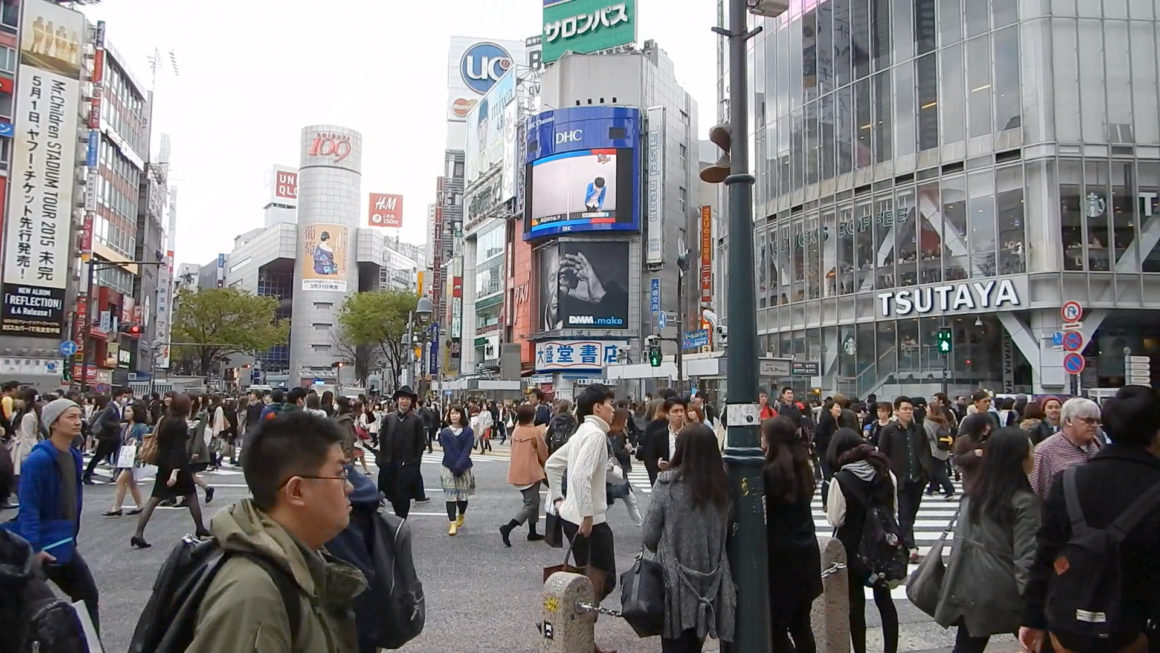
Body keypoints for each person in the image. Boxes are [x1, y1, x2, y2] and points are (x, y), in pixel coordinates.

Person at [183, 410, 367, 651]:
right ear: (297, 491)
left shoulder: (298, 560)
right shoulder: (253, 595)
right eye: (340, 474)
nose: (350, 487)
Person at [1019, 385, 1160, 653]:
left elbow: (1046, 554)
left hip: (1073, 626)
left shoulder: (1069, 482)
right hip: (1139, 627)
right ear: (1156, 433)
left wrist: (1033, 618)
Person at [934, 428, 1040, 653]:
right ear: (1017, 457)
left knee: (967, 645)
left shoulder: (974, 494)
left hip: (969, 585)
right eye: (1030, 451)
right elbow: (1026, 559)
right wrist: (1035, 606)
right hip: (1005, 589)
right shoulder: (1024, 502)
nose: (1033, 456)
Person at [2, 397, 100, 632]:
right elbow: (29, 506)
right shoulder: (39, 459)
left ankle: (89, 647)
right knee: (20, 607)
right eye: (71, 417)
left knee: (87, 596)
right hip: (41, 546)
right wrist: (34, 549)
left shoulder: (74, 456)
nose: (78, 422)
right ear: (53, 423)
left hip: (63, 542)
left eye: (79, 416)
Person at [643, 422, 736, 653]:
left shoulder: (667, 484)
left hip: (674, 579)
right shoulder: (724, 485)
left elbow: (649, 535)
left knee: (676, 643)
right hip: (713, 575)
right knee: (696, 642)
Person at [544, 384, 619, 653]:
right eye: (611, 404)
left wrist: (557, 499)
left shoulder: (582, 433)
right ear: (597, 407)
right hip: (590, 521)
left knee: (588, 578)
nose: (614, 409)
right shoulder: (595, 436)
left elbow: (552, 464)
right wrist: (587, 515)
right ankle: (572, 623)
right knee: (601, 580)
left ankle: (572, 626)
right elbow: (579, 476)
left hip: (572, 516)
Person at [826, 428, 900, 653]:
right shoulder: (887, 474)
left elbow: (836, 519)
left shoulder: (841, 479)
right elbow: (894, 510)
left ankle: (859, 650)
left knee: (855, 605)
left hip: (852, 547)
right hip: (881, 547)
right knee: (885, 600)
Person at [761, 417, 820, 652]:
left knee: (776, 628)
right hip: (806, 553)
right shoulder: (803, 466)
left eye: (764, 436)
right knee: (801, 625)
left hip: (781, 559)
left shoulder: (769, 472)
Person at [131, 394, 210, 548]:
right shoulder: (180, 424)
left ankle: (138, 533)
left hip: (164, 462)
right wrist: (175, 471)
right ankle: (200, 528)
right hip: (177, 465)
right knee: (191, 495)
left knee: (154, 498)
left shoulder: (165, 420)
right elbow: (178, 449)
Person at [878, 395, 933, 562]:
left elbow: (925, 451)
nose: (908, 412)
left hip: (918, 477)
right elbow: (883, 453)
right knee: (904, 513)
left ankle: (904, 541)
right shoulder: (889, 430)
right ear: (896, 411)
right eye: (905, 409)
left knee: (912, 513)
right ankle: (909, 546)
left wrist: (926, 471)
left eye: (910, 409)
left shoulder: (918, 429)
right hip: (899, 479)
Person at [1028, 397, 1102, 500]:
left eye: (1097, 421)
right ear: (1068, 421)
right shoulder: (1045, 451)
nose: (1094, 425)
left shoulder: (1096, 444)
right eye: (1088, 420)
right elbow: (1033, 493)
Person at [500, 402, 548, 546]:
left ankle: (532, 532)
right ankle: (508, 527)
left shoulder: (516, 431)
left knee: (534, 501)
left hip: (517, 472)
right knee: (531, 504)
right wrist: (546, 465)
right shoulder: (535, 432)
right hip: (531, 472)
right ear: (532, 416)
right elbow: (542, 453)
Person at [377, 386, 426, 519]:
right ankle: (398, 517)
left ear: (411, 402)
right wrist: (382, 459)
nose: (404, 402)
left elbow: (420, 443)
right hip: (390, 464)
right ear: (397, 400)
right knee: (392, 494)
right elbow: (382, 439)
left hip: (407, 465)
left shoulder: (416, 420)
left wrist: (415, 462)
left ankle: (401, 519)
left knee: (404, 496)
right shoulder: (389, 418)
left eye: (407, 399)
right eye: (402, 399)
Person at [104, 401, 148, 516]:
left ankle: (117, 507)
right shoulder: (126, 426)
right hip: (126, 456)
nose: (126, 413)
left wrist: (137, 443)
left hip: (135, 458)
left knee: (120, 481)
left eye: (129, 411)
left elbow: (147, 442)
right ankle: (140, 505)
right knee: (131, 483)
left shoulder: (141, 427)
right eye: (126, 411)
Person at [438, 406, 474, 536]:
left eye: (457, 413)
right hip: (448, 466)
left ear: (462, 415)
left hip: (464, 467)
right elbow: (448, 451)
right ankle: (452, 523)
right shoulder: (445, 432)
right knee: (450, 497)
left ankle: (461, 515)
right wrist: (454, 467)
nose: (454, 416)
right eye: (452, 413)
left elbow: (467, 450)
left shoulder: (468, 431)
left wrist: (460, 466)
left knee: (462, 498)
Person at [83, 387, 130, 484]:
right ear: (117, 397)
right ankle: (87, 475)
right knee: (99, 456)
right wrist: (117, 425)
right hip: (107, 437)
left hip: (116, 436)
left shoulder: (121, 407)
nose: (125, 399)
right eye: (123, 396)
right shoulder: (110, 407)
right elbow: (104, 421)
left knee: (118, 457)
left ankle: (116, 476)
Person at [952, 413, 994, 495]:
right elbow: (957, 460)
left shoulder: (992, 440)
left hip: (989, 481)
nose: (988, 428)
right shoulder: (964, 440)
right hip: (972, 481)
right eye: (985, 426)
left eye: (989, 425)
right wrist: (972, 454)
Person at [923, 408, 956, 499]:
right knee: (936, 470)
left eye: (928, 409)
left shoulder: (928, 422)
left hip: (933, 450)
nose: (926, 410)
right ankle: (933, 488)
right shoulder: (943, 422)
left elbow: (927, 436)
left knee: (939, 472)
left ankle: (949, 490)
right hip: (944, 450)